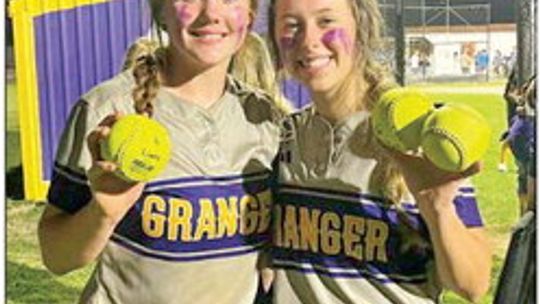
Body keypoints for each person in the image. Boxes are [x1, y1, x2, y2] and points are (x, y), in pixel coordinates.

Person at [37, 0, 285, 303]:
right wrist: (103, 212)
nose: (210, 14)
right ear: (159, 10)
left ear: (249, 15)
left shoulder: (265, 118)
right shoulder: (106, 110)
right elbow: (56, 257)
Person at [267, 0, 492, 303]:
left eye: (326, 22)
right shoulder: (282, 137)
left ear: (361, 27)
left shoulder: (416, 135)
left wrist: (438, 207)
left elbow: (472, 286)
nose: (308, 40)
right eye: (292, 25)